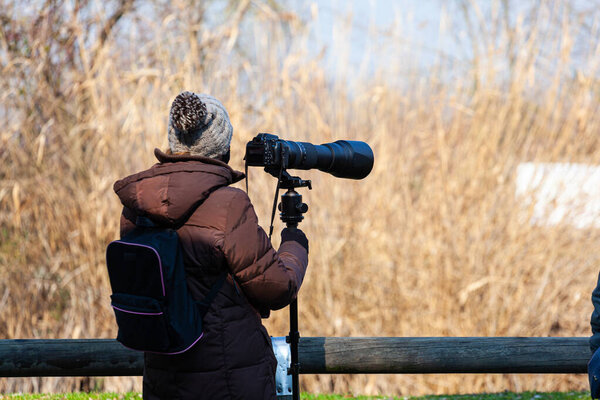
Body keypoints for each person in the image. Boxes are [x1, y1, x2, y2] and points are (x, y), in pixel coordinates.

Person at [113, 91, 309, 399]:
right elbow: (277, 288)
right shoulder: (228, 205)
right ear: (223, 147)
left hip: (163, 380)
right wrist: (295, 245)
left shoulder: (136, 206)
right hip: (230, 380)